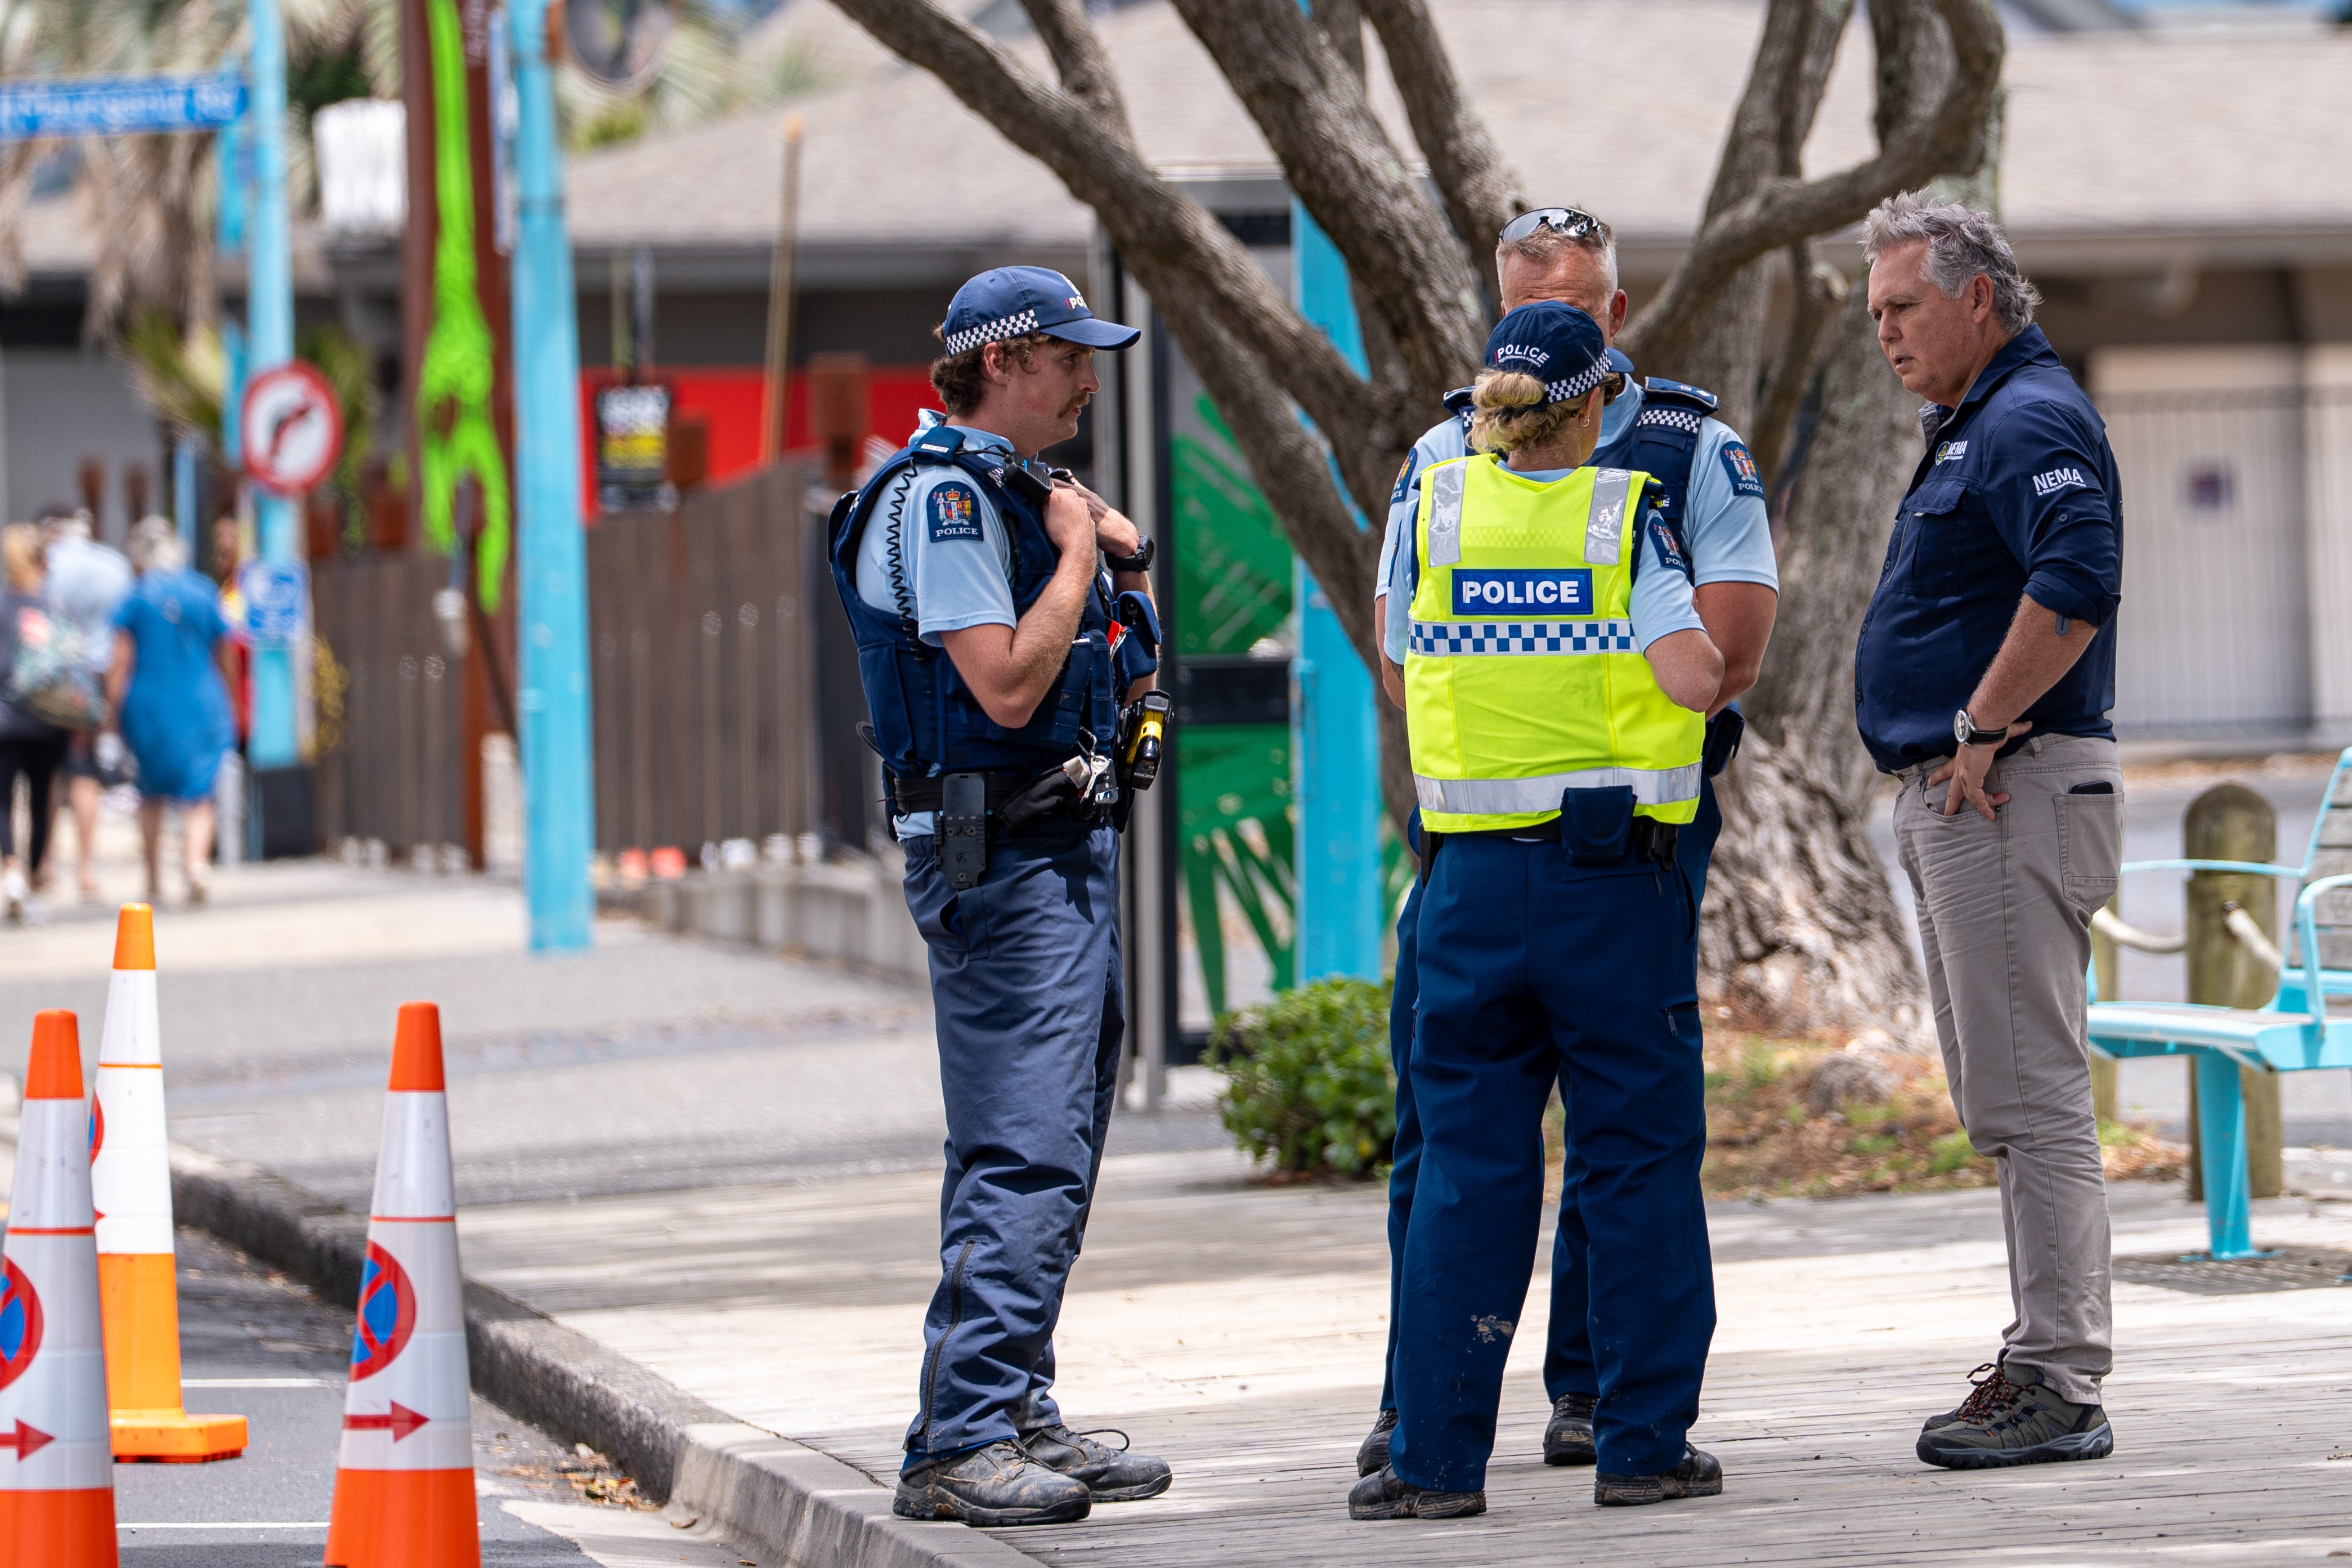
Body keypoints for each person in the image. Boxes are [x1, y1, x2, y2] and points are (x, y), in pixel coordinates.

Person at [1359, 205, 1778, 1479]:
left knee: (1463, 1170)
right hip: (1610, 877)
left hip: (1469, 875)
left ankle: (1430, 1461)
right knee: (1637, 1157)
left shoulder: (1435, 505)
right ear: (1593, 399)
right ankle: (1638, 1445)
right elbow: (1702, 675)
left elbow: (1399, 658)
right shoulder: (1623, 516)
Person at [826, 266, 1172, 1528]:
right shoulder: (946, 502)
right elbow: (1008, 685)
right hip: (1004, 861)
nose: (1088, 380)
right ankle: (961, 1439)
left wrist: (1108, 553)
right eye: (1069, 357)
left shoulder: (1015, 489)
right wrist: (1079, 552)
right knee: (1022, 1146)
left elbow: (1114, 652)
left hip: (1059, 849)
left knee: (1057, 1139)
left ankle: (1012, 1407)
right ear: (1002, 361)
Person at [1853, 194, 2123, 1470]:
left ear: (1976, 297)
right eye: (1874, 314)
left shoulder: (2029, 418)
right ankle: (2040, 1362)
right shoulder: (1976, 422)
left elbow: (2075, 582)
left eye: (1903, 307)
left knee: (2034, 1098)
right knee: (2004, 1100)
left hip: (2007, 785)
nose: (1886, 333)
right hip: (1969, 794)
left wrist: (1976, 725)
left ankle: (2058, 1382)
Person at [106, 518, 238, 909]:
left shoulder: (137, 597)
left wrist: (110, 715)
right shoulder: (204, 590)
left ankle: (153, 881)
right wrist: (232, 700)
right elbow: (226, 652)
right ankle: (196, 865)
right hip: (201, 700)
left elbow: (120, 661)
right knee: (200, 792)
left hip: (149, 703)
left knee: (150, 792)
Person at [41, 508, 133, 902]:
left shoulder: (49, 564)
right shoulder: (115, 564)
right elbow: (124, 633)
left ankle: (44, 862)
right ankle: (85, 869)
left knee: (47, 772)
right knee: (85, 774)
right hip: (97, 677)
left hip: (53, 679)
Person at [0, 523, 71, 921]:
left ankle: (10, 867)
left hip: (5, 719)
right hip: (49, 719)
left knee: (2, 799)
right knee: (43, 798)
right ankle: (30, 880)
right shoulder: (54, 607)